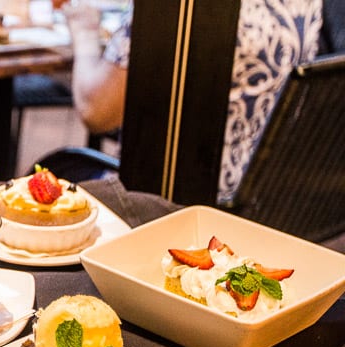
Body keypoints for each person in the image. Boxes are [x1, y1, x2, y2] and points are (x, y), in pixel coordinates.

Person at [57, 0, 323, 204]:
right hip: (268, 199)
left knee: (41, 178)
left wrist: (84, 30)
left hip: (171, 205)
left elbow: (96, 111)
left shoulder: (175, 8)